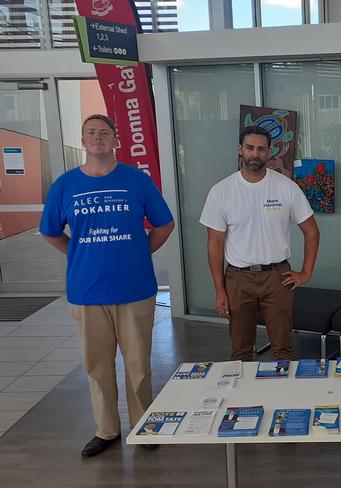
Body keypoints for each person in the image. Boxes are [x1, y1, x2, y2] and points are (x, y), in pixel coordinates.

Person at [40, 114, 175, 457]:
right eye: (90, 133)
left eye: (104, 132)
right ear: (83, 142)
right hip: (87, 291)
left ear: (116, 140)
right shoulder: (65, 185)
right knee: (97, 367)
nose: (97, 137)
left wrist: (139, 251)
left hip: (135, 288)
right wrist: (77, 251)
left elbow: (164, 224)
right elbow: (50, 231)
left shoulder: (137, 181)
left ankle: (143, 426)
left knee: (139, 366)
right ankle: (107, 430)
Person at [200, 125, 320, 361]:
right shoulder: (221, 192)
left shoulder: (286, 187)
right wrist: (219, 290)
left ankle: (285, 398)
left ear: (269, 152)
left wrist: (306, 272)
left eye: (261, 149)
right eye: (250, 148)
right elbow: (214, 245)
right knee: (240, 350)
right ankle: (245, 398)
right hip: (237, 278)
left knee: (284, 348)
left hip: (277, 276)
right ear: (240, 150)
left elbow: (312, 231)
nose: (255, 154)